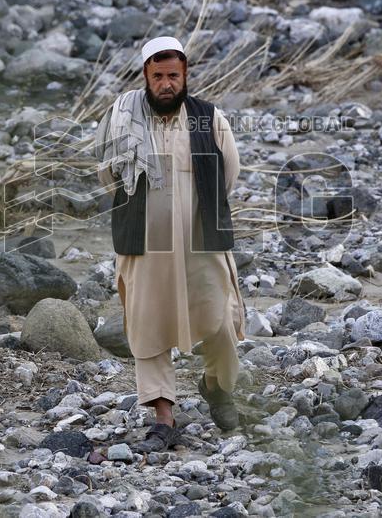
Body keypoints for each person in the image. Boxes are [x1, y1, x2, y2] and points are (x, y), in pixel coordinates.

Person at [92, 35, 246, 453]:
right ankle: (164, 415)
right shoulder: (121, 119)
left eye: (172, 76)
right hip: (146, 241)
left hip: (201, 237)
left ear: (185, 75)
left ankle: (217, 386)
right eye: (157, 76)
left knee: (219, 320)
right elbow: (109, 177)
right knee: (149, 325)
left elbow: (228, 175)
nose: (165, 84)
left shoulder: (207, 119)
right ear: (145, 75)